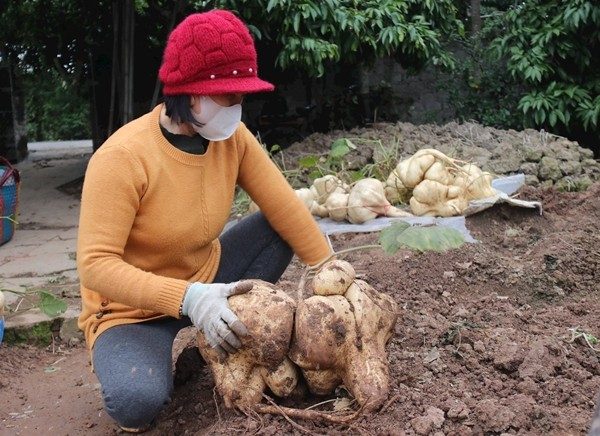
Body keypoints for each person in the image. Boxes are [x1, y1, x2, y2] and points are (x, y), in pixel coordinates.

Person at [76, 9, 332, 433]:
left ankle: (210, 347)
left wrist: (331, 269)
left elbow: (284, 206)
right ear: (192, 93)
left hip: (211, 278)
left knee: (277, 229)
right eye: (231, 97)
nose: (239, 108)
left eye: (242, 97)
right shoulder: (121, 159)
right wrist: (188, 299)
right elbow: (96, 265)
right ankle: (176, 338)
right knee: (136, 402)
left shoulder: (232, 139)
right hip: (130, 309)